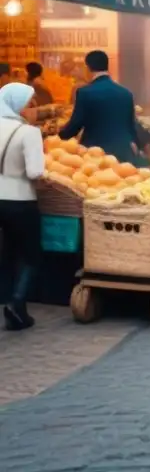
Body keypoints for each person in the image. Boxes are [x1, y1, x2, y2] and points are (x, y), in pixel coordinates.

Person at [0, 84, 44, 330]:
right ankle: (17, 306)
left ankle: (5, 297)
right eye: (30, 104)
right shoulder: (28, 133)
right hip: (20, 200)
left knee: (6, 251)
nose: (34, 109)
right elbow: (35, 171)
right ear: (17, 105)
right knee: (30, 256)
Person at [59, 50, 140, 164]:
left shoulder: (85, 92)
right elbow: (131, 125)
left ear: (87, 67)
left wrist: (60, 136)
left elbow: (76, 124)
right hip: (123, 152)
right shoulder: (126, 93)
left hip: (96, 153)